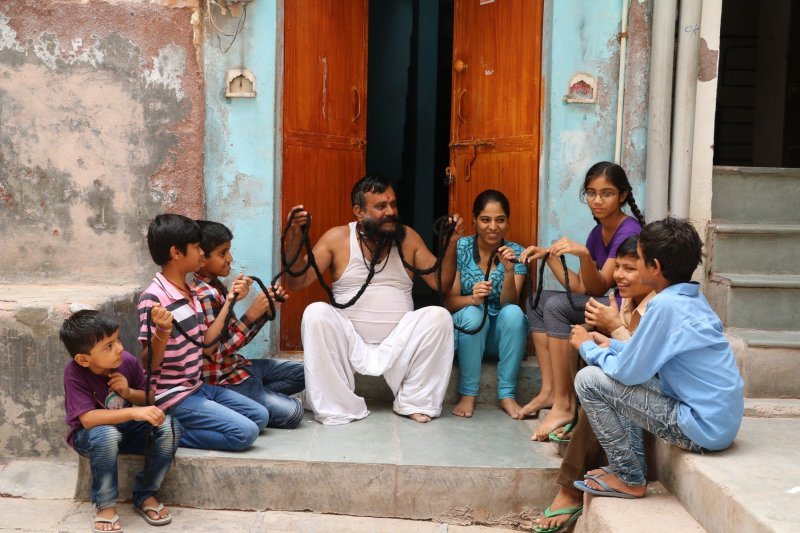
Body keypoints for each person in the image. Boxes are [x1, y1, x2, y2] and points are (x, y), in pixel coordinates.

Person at [570, 218, 744, 500]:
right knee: (614, 369)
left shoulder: (663, 305)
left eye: (637, 259)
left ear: (655, 267)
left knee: (589, 379)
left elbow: (627, 373)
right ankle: (631, 469)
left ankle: (628, 477)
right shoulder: (690, 299)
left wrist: (587, 348)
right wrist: (612, 345)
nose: (632, 266)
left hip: (701, 429)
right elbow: (643, 359)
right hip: (720, 422)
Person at [285, 174, 464, 425]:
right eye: (381, 206)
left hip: (399, 341)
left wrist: (451, 243)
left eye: (393, 204)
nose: (391, 212)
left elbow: (441, 284)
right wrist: (294, 235)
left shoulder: (408, 238)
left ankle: (416, 401)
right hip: (350, 341)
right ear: (359, 212)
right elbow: (296, 282)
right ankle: (338, 407)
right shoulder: (337, 238)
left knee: (439, 316)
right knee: (315, 312)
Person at [518, 161, 646, 441]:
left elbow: (600, 284)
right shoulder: (597, 231)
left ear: (622, 196)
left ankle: (564, 404)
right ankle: (550, 390)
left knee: (555, 306)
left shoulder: (629, 231)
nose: (597, 200)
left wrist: (584, 256)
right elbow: (582, 287)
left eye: (606, 193)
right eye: (591, 193)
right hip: (602, 298)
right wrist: (550, 256)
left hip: (619, 307)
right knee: (537, 302)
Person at [534, 236, 654, 532]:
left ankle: (570, 490)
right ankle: (572, 420)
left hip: (654, 403)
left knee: (599, 376)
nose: (619, 276)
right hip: (635, 392)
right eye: (620, 267)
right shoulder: (627, 299)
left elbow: (643, 367)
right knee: (584, 338)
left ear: (653, 272)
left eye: (630, 269)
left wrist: (614, 329)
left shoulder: (657, 309)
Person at [137, 213, 268, 451]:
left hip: (197, 387)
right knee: (245, 433)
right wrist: (162, 333)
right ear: (176, 253)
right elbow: (149, 364)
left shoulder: (191, 292)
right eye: (196, 247)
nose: (201, 253)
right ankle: (165, 433)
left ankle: (180, 425)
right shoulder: (154, 297)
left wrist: (230, 301)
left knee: (260, 416)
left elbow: (207, 343)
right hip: (173, 396)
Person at [61, 310, 181, 532]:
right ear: (83, 359)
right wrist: (134, 412)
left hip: (125, 431)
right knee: (106, 433)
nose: (120, 348)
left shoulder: (125, 361)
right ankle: (105, 506)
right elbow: (88, 419)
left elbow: (150, 397)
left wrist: (128, 393)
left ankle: (145, 494)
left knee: (168, 425)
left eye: (118, 340)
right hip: (92, 438)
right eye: (108, 345)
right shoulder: (74, 372)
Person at [191, 220, 305, 429]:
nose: (230, 259)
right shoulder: (203, 296)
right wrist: (251, 315)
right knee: (294, 413)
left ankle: (256, 396)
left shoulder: (216, 287)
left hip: (238, 369)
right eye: (223, 253)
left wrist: (265, 312)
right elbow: (215, 352)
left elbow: (234, 340)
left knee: (304, 374)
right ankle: (248, 400)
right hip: (223, 381)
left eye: (229, 251)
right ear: (202, 258)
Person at [444, 189, 528, 419]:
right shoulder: (461, 247)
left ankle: (507, 395)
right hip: (468, 331)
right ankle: (468, 394)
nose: (493, 227)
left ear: (508, 223)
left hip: (497, 338)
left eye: (500, 220)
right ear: (474, 220)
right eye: (485, 220)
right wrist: (473, 298)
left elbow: (512, 303)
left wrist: (509, 271)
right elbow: (449, 302)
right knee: (473, 311)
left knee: (514, 314)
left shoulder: (517, 253)